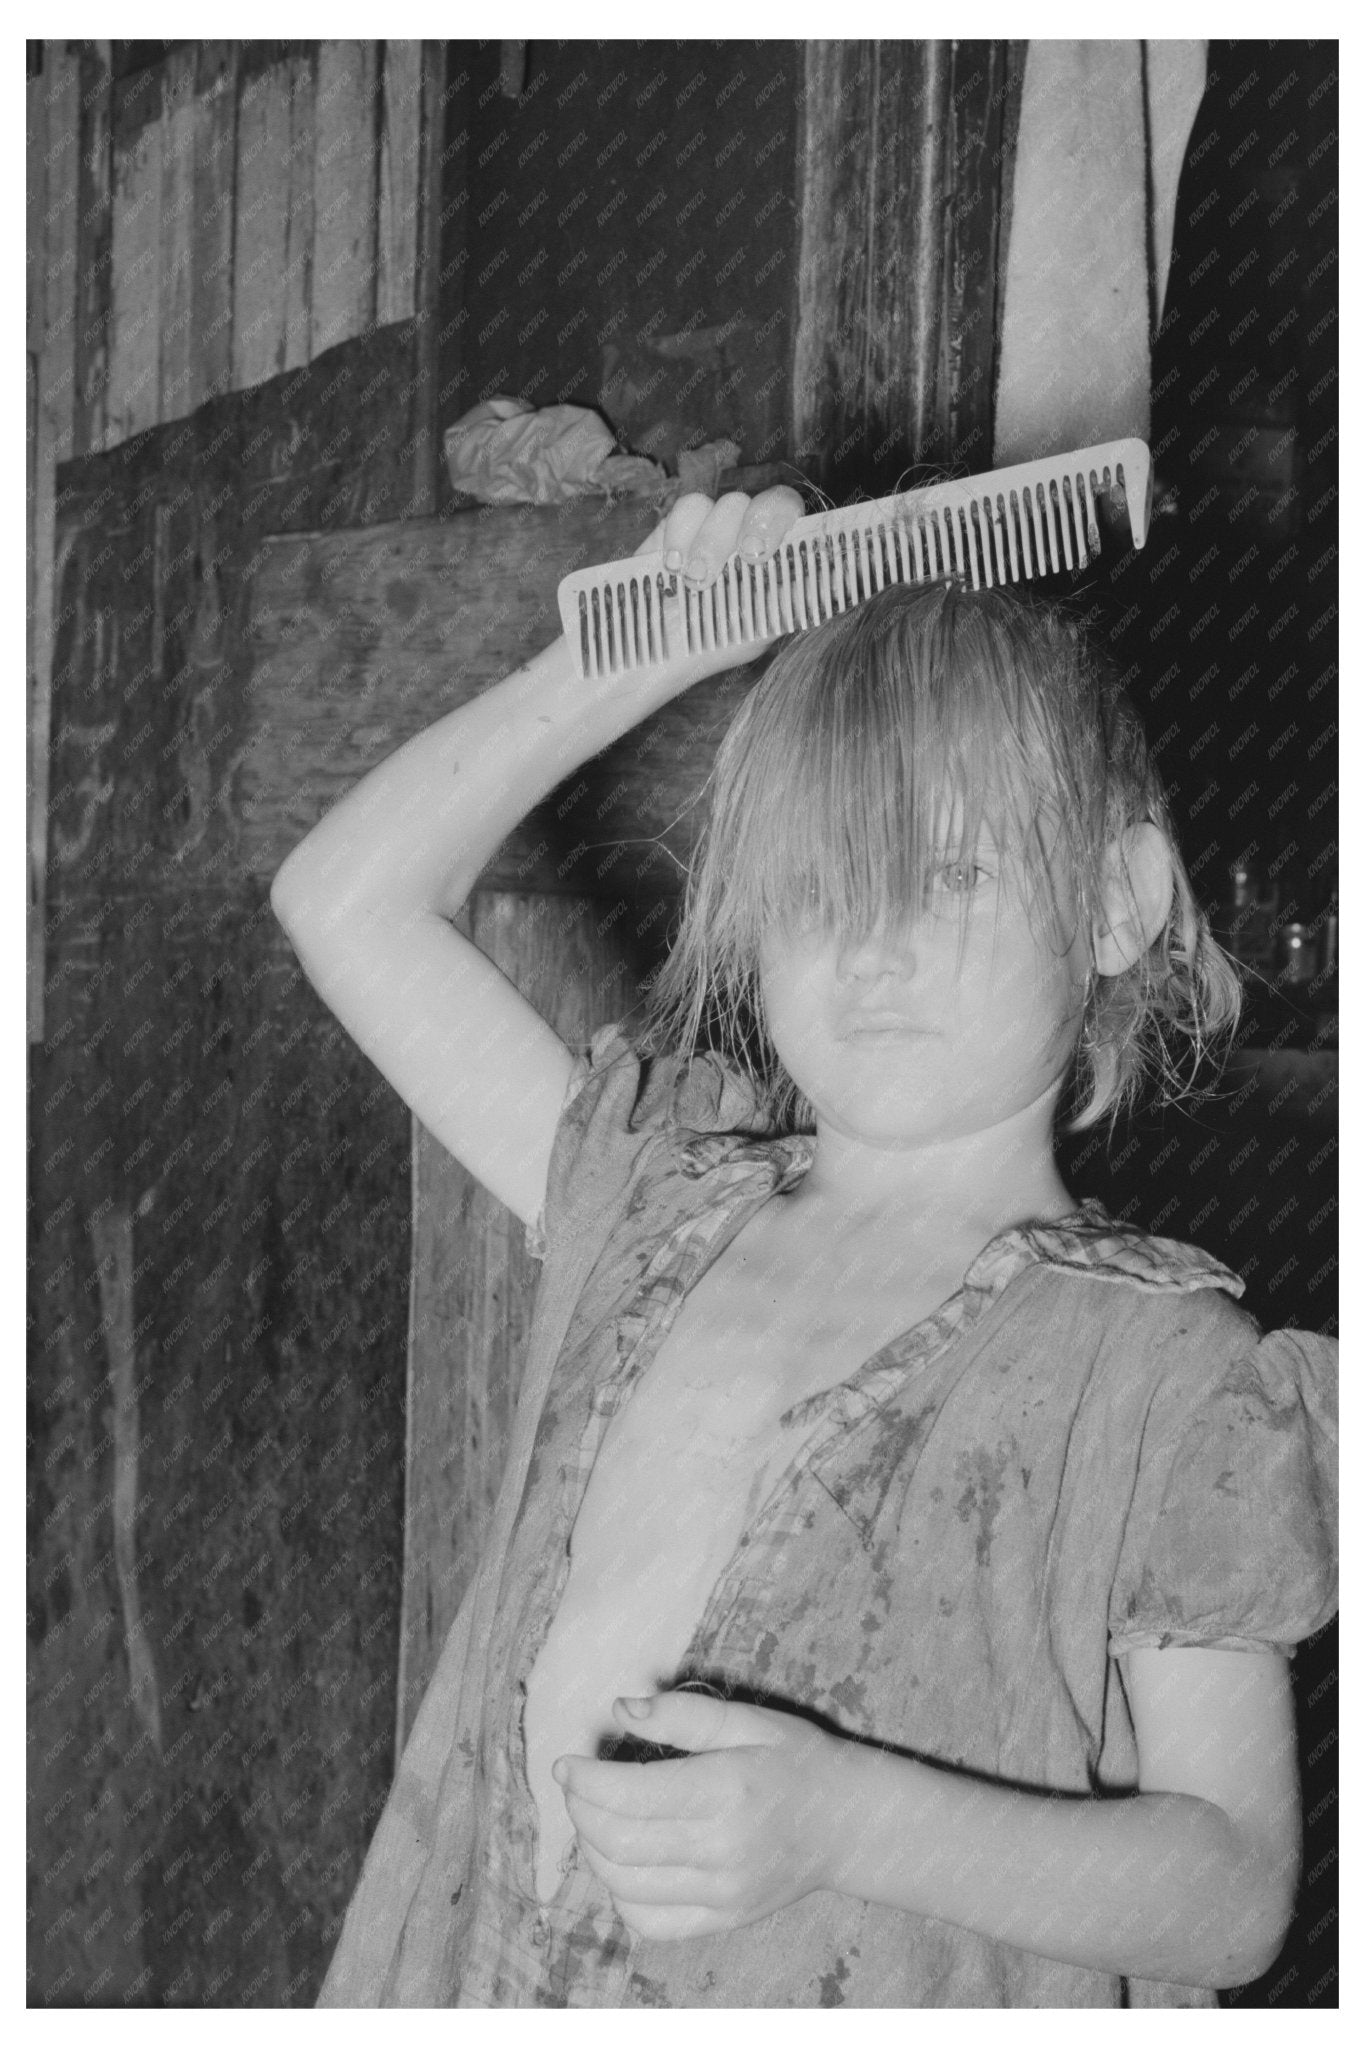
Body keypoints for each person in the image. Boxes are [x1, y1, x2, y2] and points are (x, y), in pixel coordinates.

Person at [271, 488, 1337, 2008]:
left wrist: (846, 1820)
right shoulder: (644, 1203)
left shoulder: (1166, 1375)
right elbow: (343, 899)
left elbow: (1230, 1888)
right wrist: (640, 652)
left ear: (1117, 905)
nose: (874, 946)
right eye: (821, 890)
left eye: (950, 876)